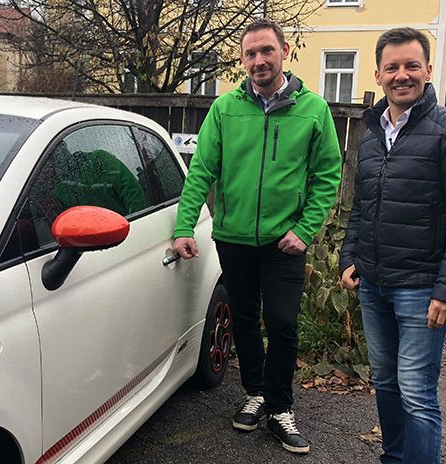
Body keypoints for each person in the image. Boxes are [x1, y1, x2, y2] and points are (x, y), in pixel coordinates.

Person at [172, 18, 341, 455]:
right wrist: (183, 226)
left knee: (283, 323)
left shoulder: (313, 110)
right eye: (250, 54)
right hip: (234, 238)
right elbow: (201, 172)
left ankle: (281, 409)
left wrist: (304, 231)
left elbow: (327, 176)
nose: (259, 60)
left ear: (284, 52)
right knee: (245, 319)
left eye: (266, 50)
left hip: (285, 242)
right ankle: (256, 393)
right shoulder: (225, 110)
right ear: (243, 60)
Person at [339, 28, 446, 464]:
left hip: (422, 290)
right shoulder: (372, 134)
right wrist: (351, 257)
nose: (401, 75)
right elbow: (362, 204)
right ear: (378, 73)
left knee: (418, 393)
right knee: (386, 383)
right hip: (374, 285)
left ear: (427, 69)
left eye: (411, 66)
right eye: (392, 67)